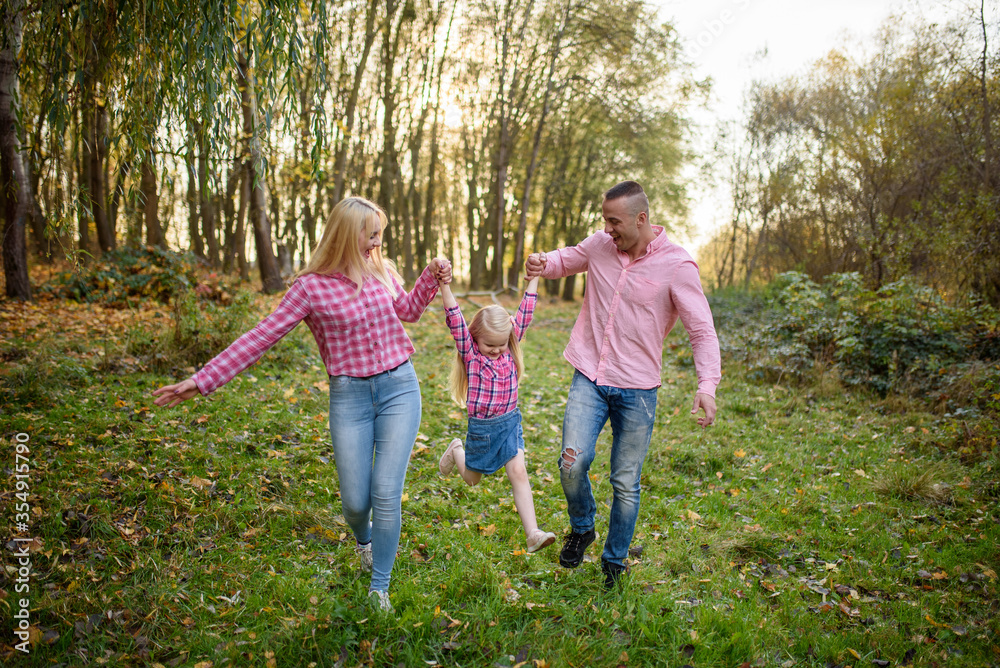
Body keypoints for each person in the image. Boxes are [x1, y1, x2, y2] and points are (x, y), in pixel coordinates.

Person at [152, 196, 451, 613]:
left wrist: (430, 278)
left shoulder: (382, 270)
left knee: (385, 491)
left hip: (400, 387)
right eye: (372, 234)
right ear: (349, 234)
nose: (378, 241)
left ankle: (378, 586)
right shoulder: (309, 288)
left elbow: (409, 311)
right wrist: (202, 381)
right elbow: (260, 337)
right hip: (350, 398)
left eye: (380, 233)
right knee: (354, 502)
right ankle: (363, 539)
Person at [524, 180, 721, 589]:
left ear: (641, 218)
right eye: (605, 221)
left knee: (625, 483)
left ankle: (614, 563)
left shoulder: (677, 265)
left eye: (614, 221)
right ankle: (583, 527)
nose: (608, 228)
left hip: (638, 390)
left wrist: (708, 384)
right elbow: (567, 259)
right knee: (570, 461)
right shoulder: (600, 245)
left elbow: (701, 329)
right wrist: (543, 262)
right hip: (590, 376)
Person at [436, 275, 557, 554]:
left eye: (502, 344)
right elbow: (454, 318)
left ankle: (533, 534)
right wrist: (444, 286)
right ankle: (456, 449)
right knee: (472, 480)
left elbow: (525, 312)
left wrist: (534, 278)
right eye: (489, 345)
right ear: (475, 339)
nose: (497, 350)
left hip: (511, 423)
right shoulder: (472, 355)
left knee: (519, 471)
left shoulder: (508, 350)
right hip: (483, 429)